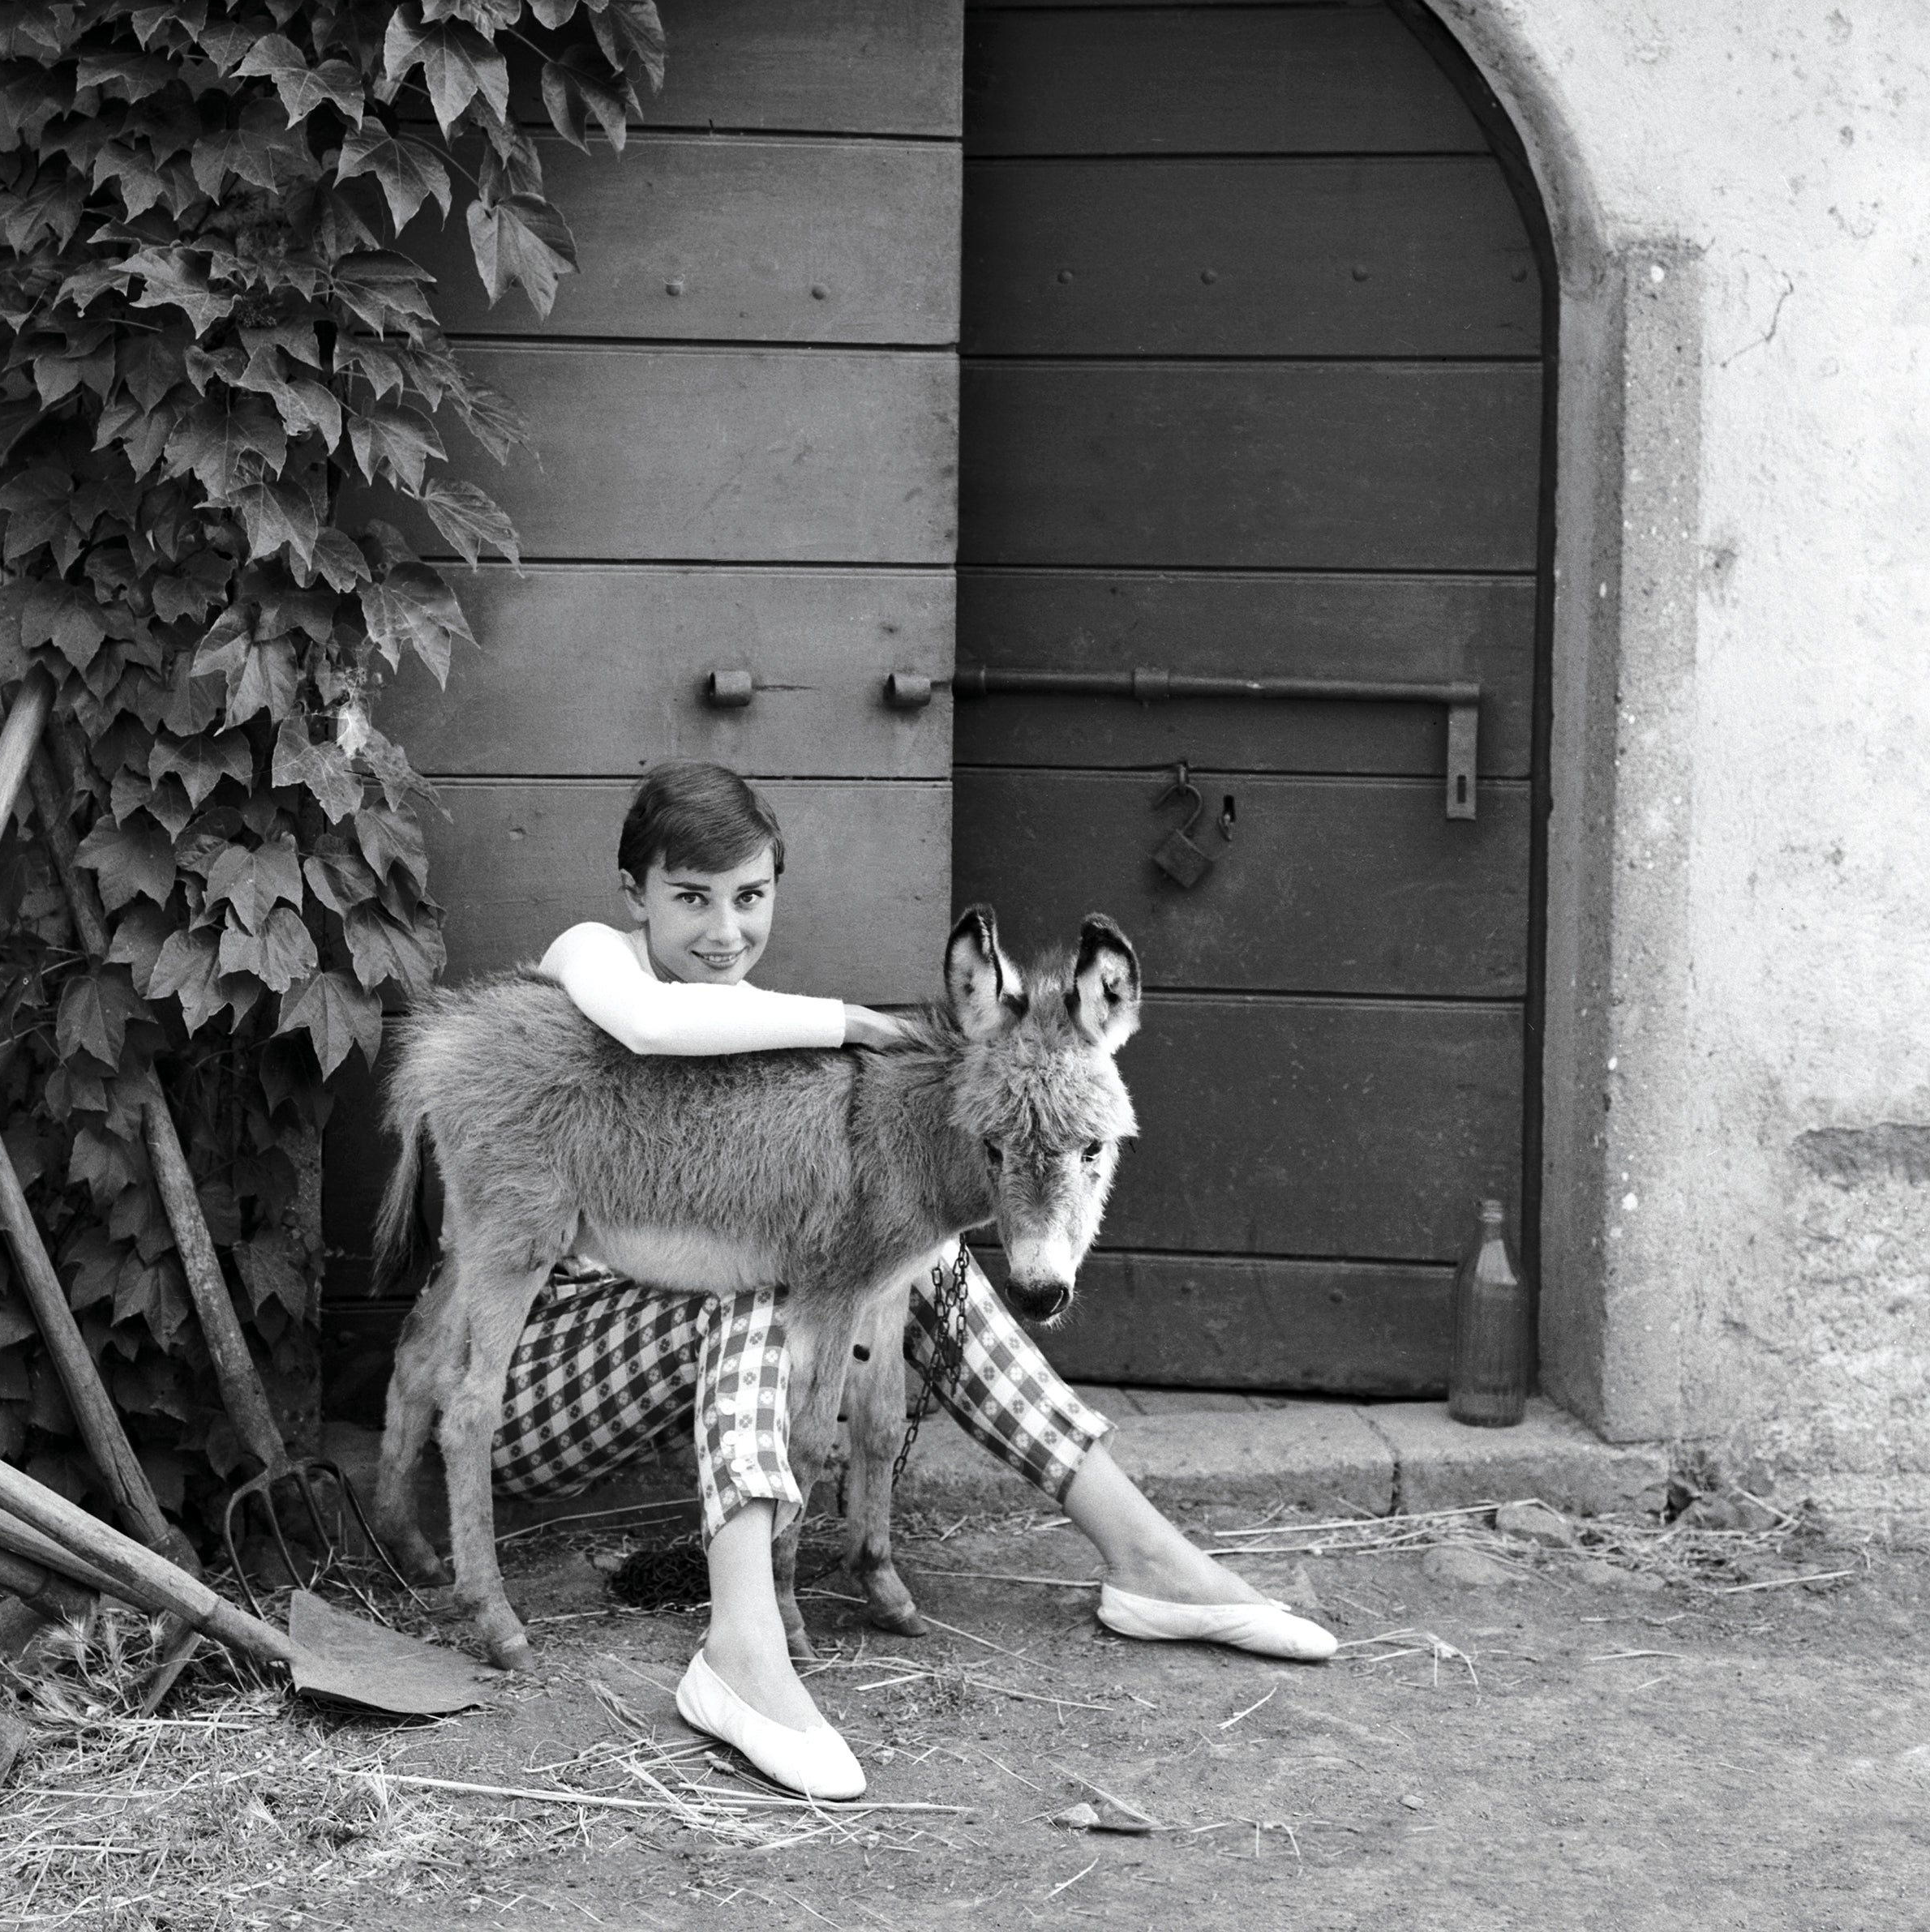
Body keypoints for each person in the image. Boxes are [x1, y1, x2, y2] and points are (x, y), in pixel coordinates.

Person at [487, 761, 1334, 1799]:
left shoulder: (745, 1009)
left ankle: (1145, 1556)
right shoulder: (594, 959)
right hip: (542, 1370)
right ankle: (741, 1647)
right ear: (634, 894)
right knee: (781, 1281)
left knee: (923, 1252)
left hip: (643, 1347)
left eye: (750, 899)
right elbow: (656, 1029)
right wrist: (849, 1020)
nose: (722, 930)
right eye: (691, 898)